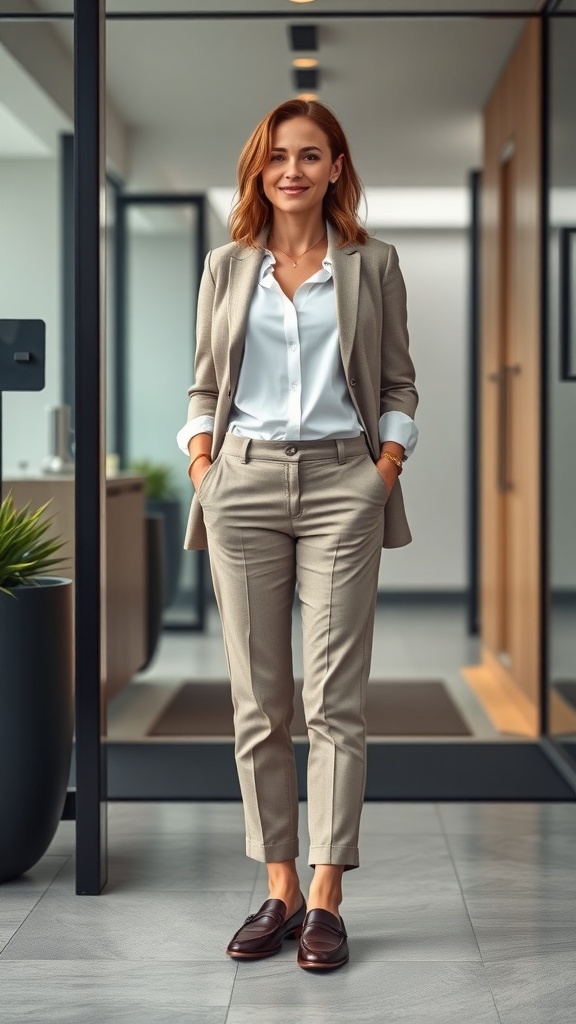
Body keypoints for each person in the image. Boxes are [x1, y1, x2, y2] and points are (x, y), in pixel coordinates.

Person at [176, 99, 418, 970]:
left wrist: (383, 467)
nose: (292, 170)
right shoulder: (226, 265)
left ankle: (326, 896)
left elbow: (397, 382)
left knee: (334, 700)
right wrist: (203, 465)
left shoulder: (373, 264)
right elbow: (205, 384)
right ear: (260, 167)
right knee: (258, 700)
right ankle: (278, 887)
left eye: (310, 155)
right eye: (278, 155)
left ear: (336, 167)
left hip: (342, 485)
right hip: (239, 482)